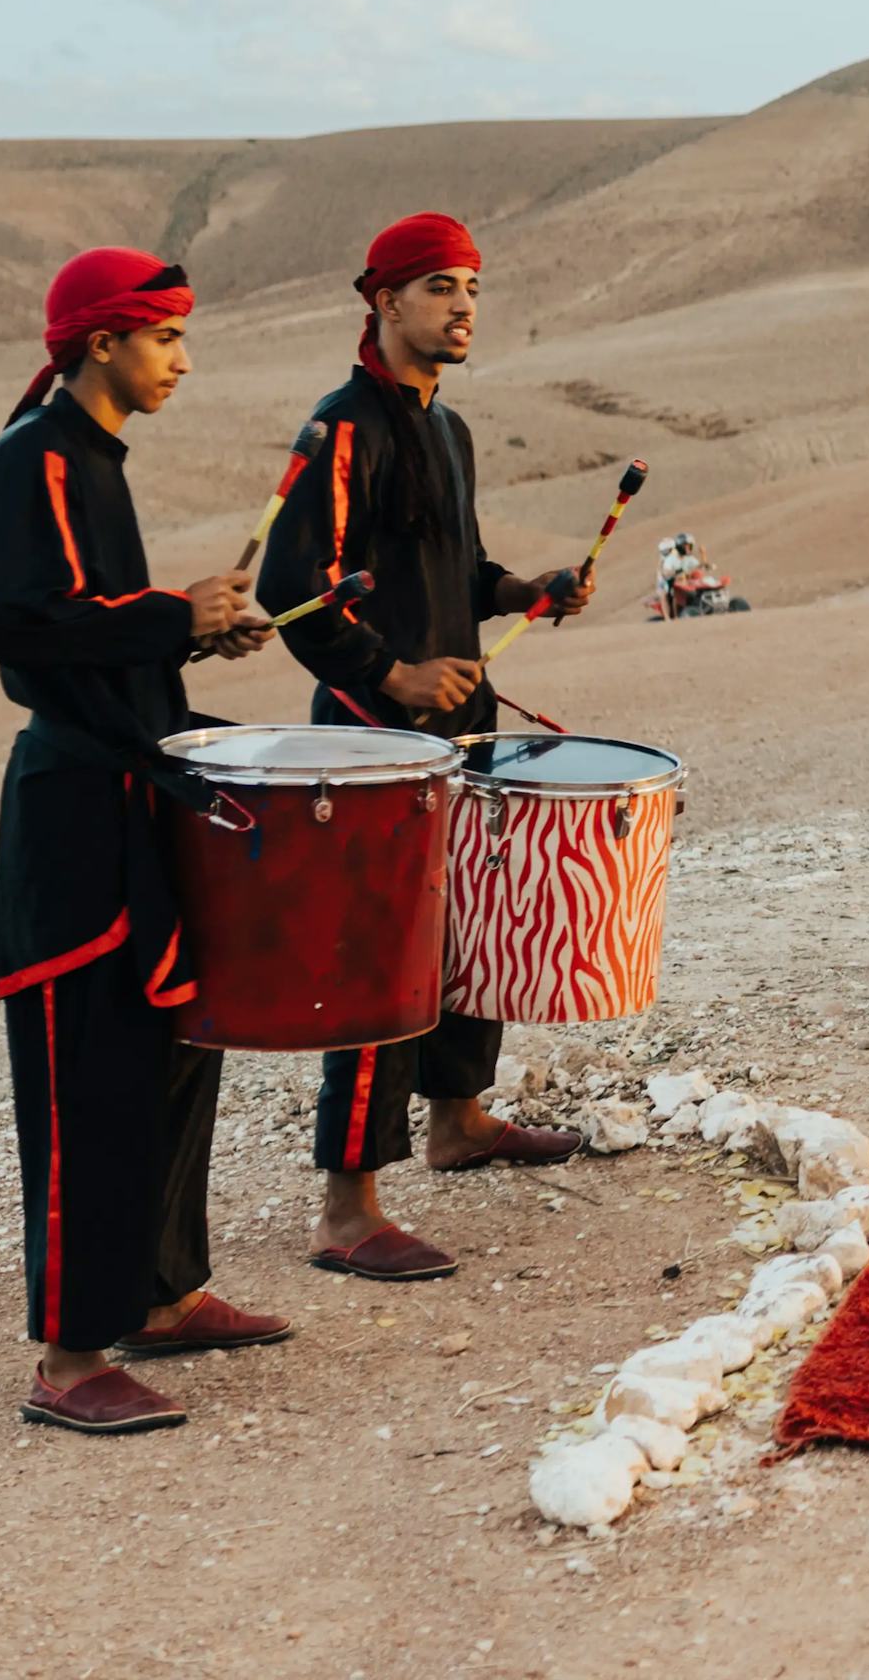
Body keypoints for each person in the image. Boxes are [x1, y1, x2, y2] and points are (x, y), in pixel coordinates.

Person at [0, 248, 287, 1433]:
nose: (182, 361)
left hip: (136, 795)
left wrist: (187, 641)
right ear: (102, 341)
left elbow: (83, 630)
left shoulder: (92, 460)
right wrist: (164, 614)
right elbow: (5, 627)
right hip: (73, 818)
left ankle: (158, 1291)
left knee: (169, 1051)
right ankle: (68, 1353)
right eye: (166, 339)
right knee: (86, 1078)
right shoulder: (33, 455)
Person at [258, 213, 593, 1281]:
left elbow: (466, 566)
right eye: (440, 287)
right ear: (384, 301)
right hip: (371, 742)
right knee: (379, 961)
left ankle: (459, 1117)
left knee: (469, 925)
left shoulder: (448, 430)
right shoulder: (340, 428)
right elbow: (288, 590)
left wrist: (524, 590)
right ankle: (346, 1208)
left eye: (474, 289)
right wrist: (390, 672)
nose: (462, 307)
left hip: (461, 724)